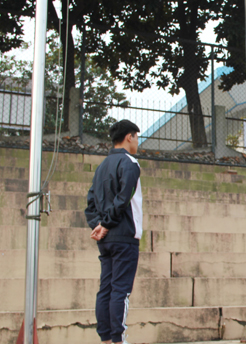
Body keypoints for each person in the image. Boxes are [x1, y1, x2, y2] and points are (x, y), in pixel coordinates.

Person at [85, 120, 143, 344]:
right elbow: (124, 197)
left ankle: (106, 340)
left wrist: (97, 225)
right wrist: (107, 224)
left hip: (106, 238)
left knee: (106, 289)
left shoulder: (102, 166)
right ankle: (118, 339)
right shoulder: (130, 163)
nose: (137, 142)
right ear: (129, 137)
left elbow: (90, 202)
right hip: (124, 236)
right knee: (120, 290)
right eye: (137, 137)